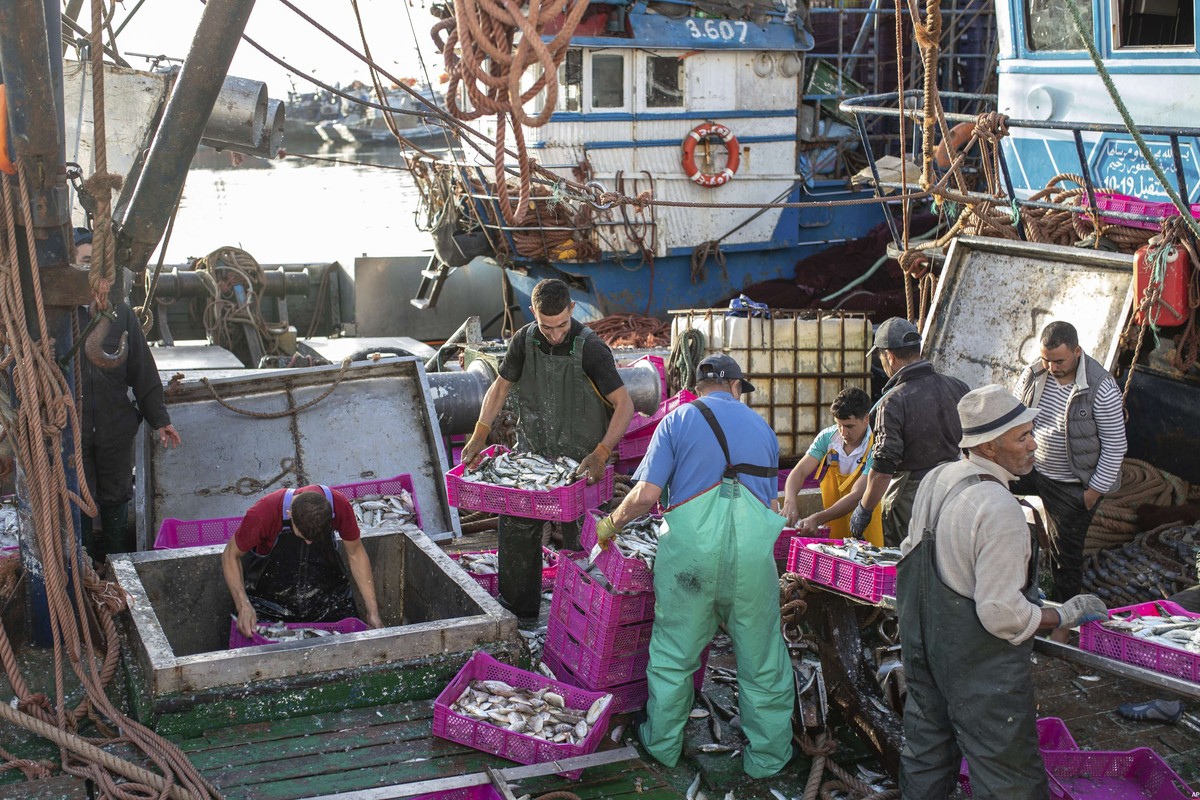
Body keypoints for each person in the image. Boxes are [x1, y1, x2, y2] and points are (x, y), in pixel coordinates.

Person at [897, 385, 1107, 799]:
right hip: (979, 670)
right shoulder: (999, 508)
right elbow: (1001, 613)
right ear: (990, 447)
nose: (1034, 445)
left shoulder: (937, 477)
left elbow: (914, 560)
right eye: (1022, 437)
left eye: (1032, 432)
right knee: (1008, 776)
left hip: (923, 649)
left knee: (927, 755)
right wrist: (1063, 615)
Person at [594, 354, 794, 779]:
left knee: (673, 658)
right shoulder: (763, 429)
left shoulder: (677, 419)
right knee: (762, 663)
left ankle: (662, 747)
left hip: (690, 562)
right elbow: (772, 506)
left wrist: (610, 524)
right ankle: (768, 761)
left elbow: (647, 495)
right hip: (752, 564)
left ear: (697, 386)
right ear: (737, 387)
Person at [460, 278, 634, 618]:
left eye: (561, 326)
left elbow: (624, 405)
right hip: (533, 458)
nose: (554, 334)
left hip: (582, 468)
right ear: (533, 314)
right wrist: (480, 431)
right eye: (546, 326)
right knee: (515, 530)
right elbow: (499, 387)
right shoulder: (524, 340)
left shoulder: (592, 348)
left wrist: (601, 452)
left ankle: (581, 617)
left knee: (583, 544)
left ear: (571, 310)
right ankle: (519, 613)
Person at [75, 228, 182, 562]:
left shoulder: (122, 314)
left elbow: (143, 373)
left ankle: (118, 564)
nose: (90, 270)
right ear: (70, 265)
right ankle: (86, 567)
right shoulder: (56, 317)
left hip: (115, 427)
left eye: (95, 263)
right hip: (70, 429)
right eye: (84, 261)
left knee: (116, 495)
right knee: (76, 496)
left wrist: (160, 420)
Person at [1014, 321, 1127, 603]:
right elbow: (1014, 419)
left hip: (1072, 485)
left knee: (1066, 558)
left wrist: (1090, 495)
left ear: (1077, 351)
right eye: (1046, 359)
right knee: (985, 481)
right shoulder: (1033, 374)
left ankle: (1063, 622)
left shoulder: (1101, 387)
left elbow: (1116, 447)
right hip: (1033, 469)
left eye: (1058, 360)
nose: (1051, 367)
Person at [850, 318, 969, 546]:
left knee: (908, 561)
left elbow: (883, 468)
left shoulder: (893, 402)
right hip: (956, 486)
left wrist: (864, 509)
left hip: (912, 496)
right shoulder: (958, 386)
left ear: (890, 356)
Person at [221, 484, 383, 638]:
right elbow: (230, 555)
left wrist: (373, 611)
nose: (308, 543)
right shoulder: (264, 513)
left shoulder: (339, 505)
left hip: (328, 600)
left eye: (315, 537)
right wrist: (243, 604)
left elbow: (356, 553)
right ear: (289, 514)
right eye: (303, 536)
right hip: (270, 604)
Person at [782, 386, 883, 545]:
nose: (843, 432)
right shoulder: (828, 438)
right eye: (839, 424)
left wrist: (817, 518)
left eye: (849, 426)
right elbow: (800, 471)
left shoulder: (877, 446)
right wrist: (790, 501)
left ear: (866, 419)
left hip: (866, 530)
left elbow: (857, 495)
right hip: (833, 529)